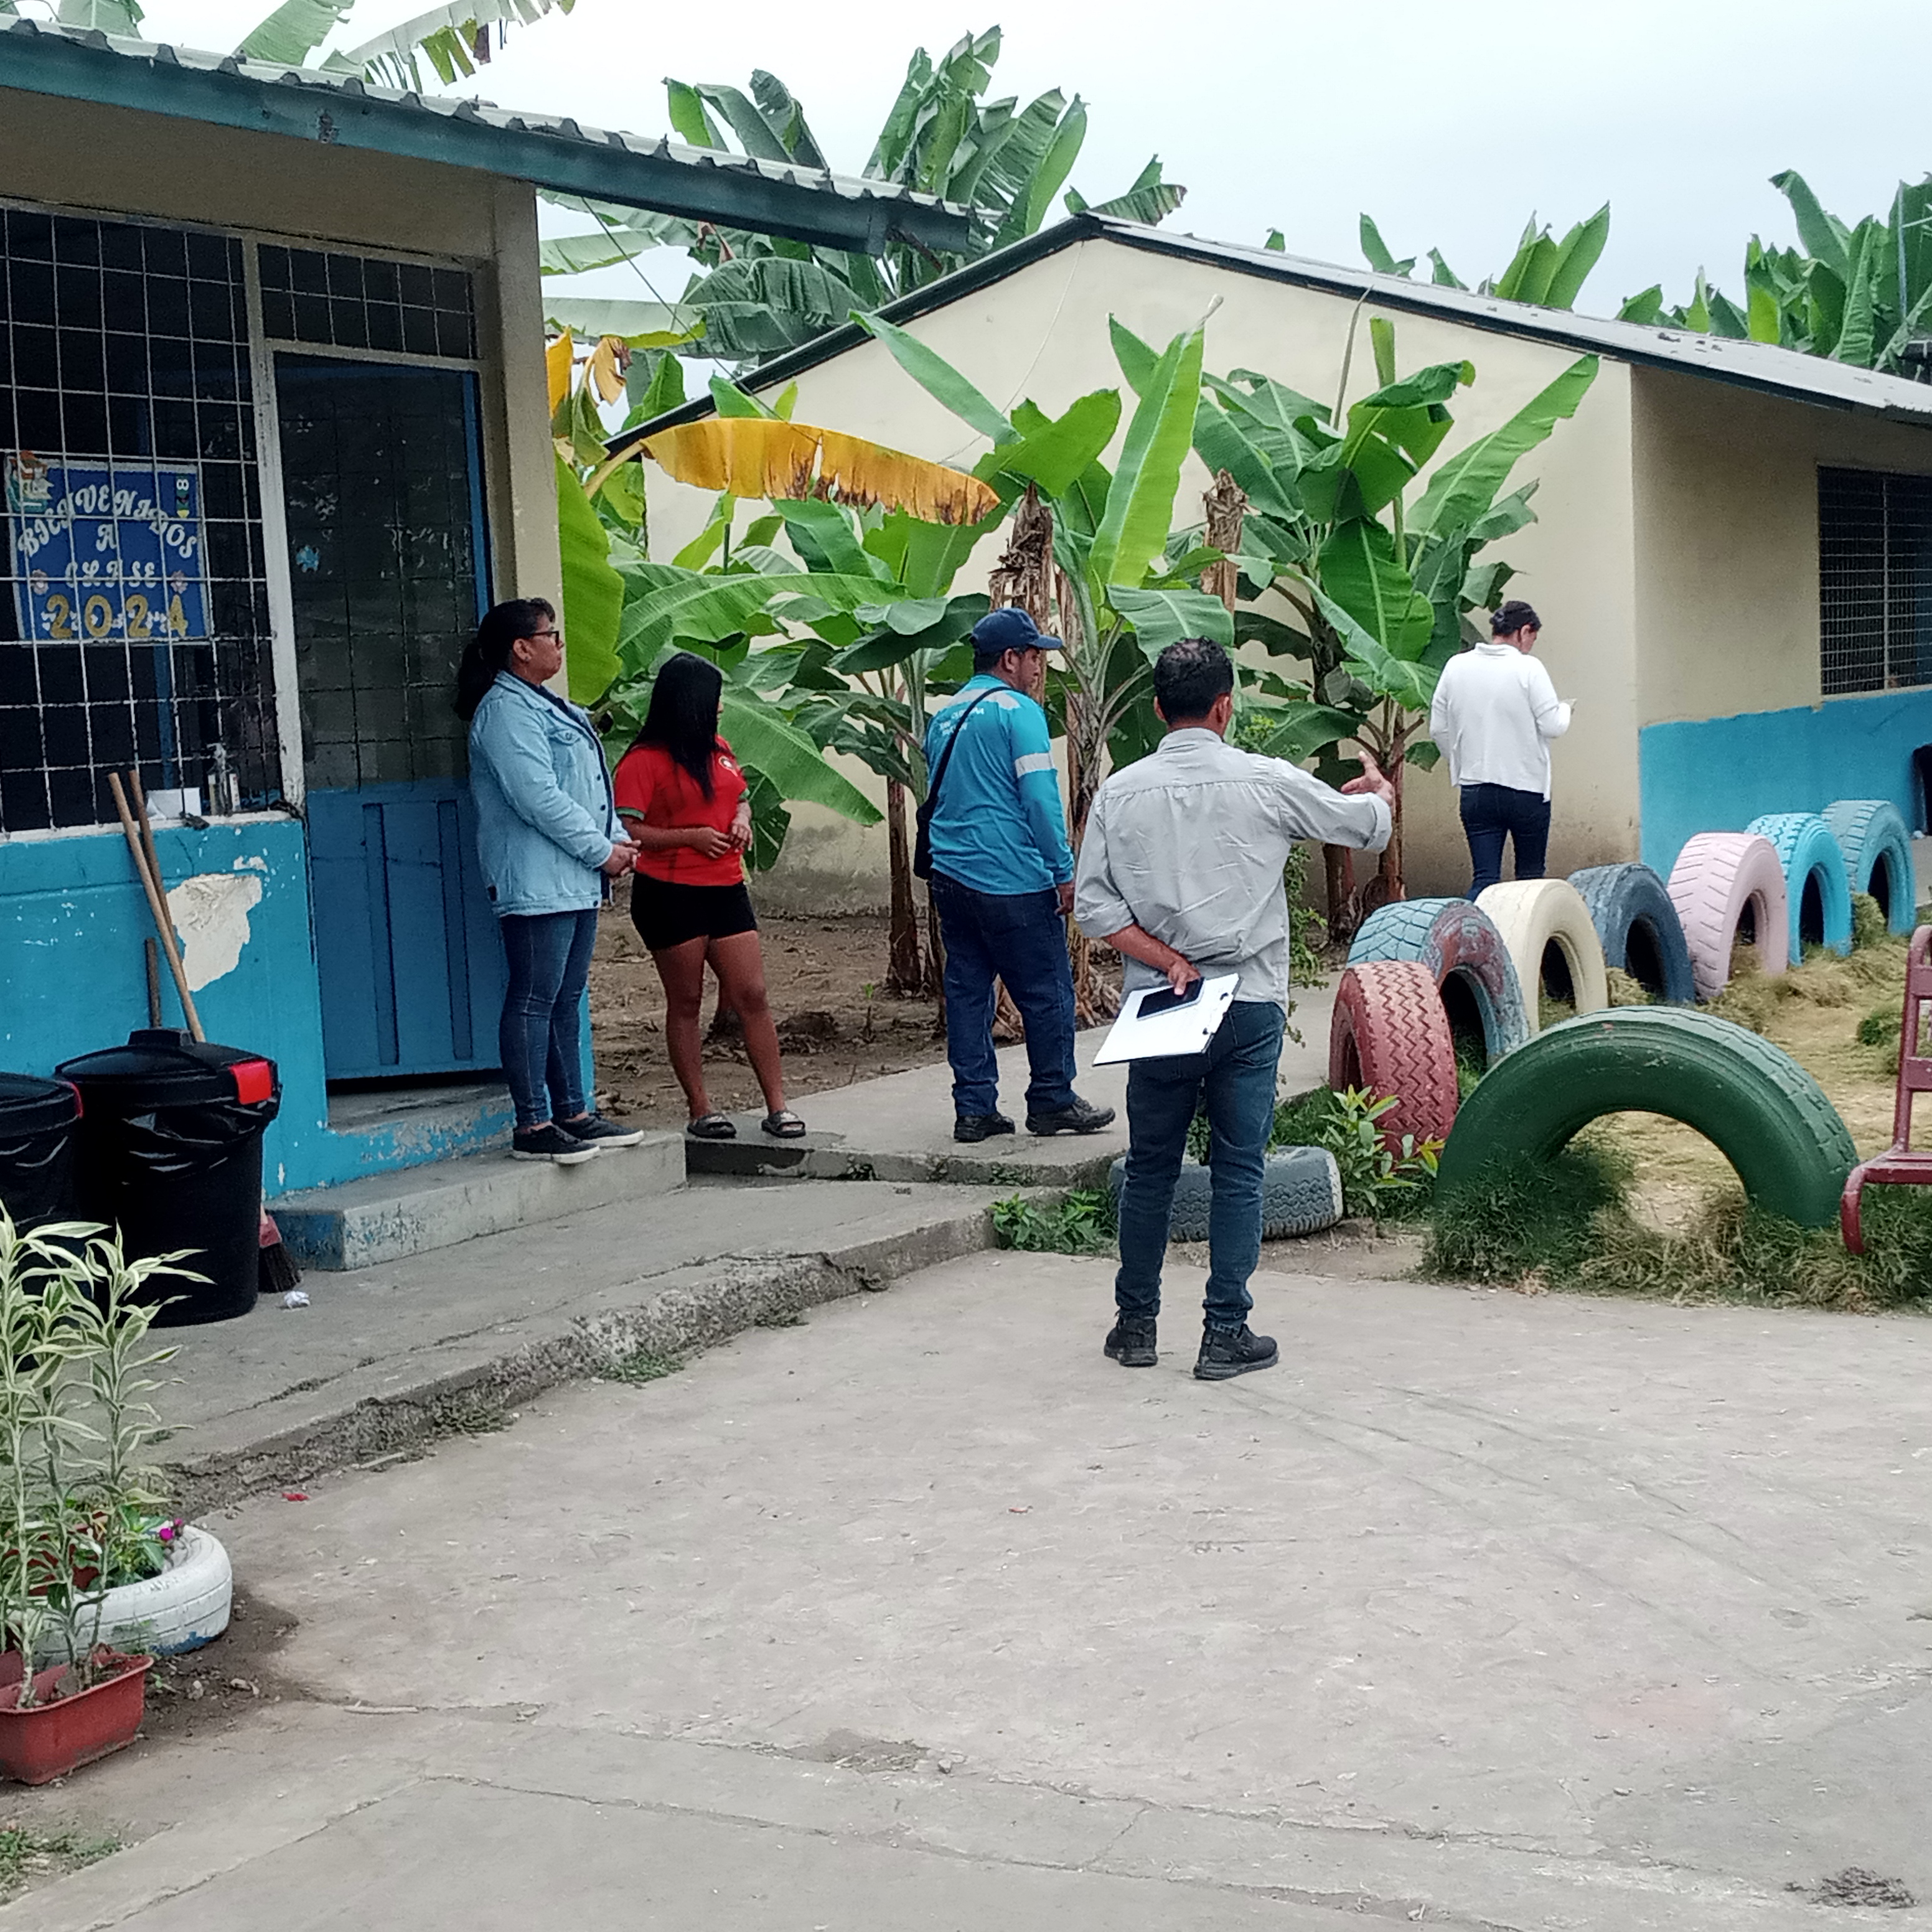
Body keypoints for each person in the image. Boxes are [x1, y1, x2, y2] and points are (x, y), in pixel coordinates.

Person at [1074, 638, 1394, 1382]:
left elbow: (1092, 906)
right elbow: (1363, 826)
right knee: (1239, 1169)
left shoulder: (1120, 793)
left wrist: (1164, 958)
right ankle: (1224, 1332)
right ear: (1224, 707)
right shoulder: (1264, 779)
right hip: (1247, 1001)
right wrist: (1379, 793)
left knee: (1150, 1168)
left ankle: (1134, 1325)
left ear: (1159, 708)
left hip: (1163, 1005)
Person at [457, 598, 647, 1165]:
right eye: (552, 636)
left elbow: (590, 788)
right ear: (522, 648)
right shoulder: (504, 712)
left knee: (565, 997)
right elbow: (537, 797)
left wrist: (616, 841)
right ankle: (533, 1122)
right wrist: (601, 850)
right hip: (537, 877)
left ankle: (573, 1112)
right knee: (534, 997)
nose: (560, 645)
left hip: (574, 874)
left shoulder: (548, 704)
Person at [924, 607, 1116, 1143]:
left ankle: (974, 1110)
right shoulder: (1020, 713)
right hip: (1013, 879)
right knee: (1047, 992)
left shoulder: (944, 717)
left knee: (968, 993)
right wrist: (1063, 871)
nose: (1038, 668)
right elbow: (1039, 800)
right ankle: (1052, 1099)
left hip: (951, 877)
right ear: (1010, 659)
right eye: (1034, 657)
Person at [612, 651, 805, 1142]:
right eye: (714, 700)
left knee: (752, 994)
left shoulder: (719, 748)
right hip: (669, 892)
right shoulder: (643, 761)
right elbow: (627, 828)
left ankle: (778, 1105)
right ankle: (701, 1108)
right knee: (687, 998)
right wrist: (690, 837)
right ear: (689, 703)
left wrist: (741, 820)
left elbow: (740, 796)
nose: (720, 708)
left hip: (725, 886)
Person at [1428, 598, 1572, 898]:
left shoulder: (1456, 666)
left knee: (1484, 879)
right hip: (1526, 791)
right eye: (1532, 638)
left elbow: (1438, 729)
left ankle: (1471, 928)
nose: (1530, 646)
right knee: (1530, 881)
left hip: (1476, 790)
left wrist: (1461, 765)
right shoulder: (1529, 668)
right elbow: (1552, 726)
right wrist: (1566, 709)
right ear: (1524, 631)